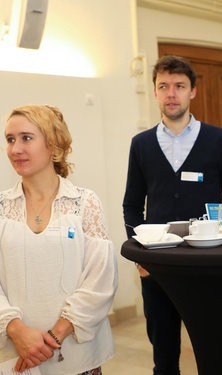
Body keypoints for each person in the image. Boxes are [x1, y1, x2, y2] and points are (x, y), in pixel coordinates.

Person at [123, 55, 222, 375]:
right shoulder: (141, 144)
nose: (171, 93)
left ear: (193, 91)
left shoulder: (218, 140)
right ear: (154, 92)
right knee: (164, 357)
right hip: (158, 267)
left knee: (216, 351)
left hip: (209, 266)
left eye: (179, 86)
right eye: (163, 86)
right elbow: (132, 206)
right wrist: (140, 256)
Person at [0, 105, 118, 374]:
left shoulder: (85, 202)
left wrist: (52, 338)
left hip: (76, 355)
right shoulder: (1, 207)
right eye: (10, 139)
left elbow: (100, 280)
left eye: (26, 138)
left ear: (54, 146)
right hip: (15, 354)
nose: (15, 149)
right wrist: (15, 330)